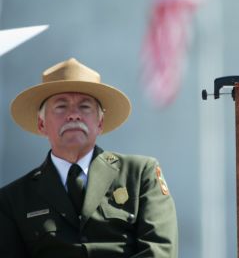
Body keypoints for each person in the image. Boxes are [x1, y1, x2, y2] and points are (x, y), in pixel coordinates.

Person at [0, 58, 178, 257]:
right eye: (61, 106)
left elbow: (159, 252)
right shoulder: (13, 199)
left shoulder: (139, 175)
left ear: (100, 123)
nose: (74, 115)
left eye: (85, 107)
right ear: (42, 125)